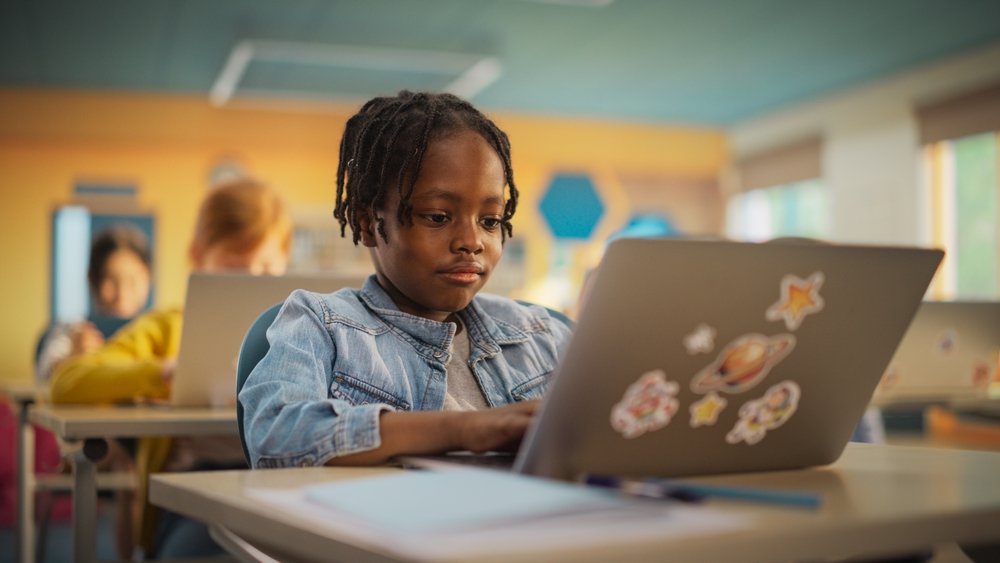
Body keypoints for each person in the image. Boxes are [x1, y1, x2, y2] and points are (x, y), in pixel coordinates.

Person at [240, 90, 573, 469]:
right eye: (437, 216)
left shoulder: (542, 334)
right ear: (368, 224)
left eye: (490, 221)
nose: (471, 242)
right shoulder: (320, 323)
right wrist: (462, 429)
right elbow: (274, 438)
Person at [49, 177, 293, 559]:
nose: (249, 282)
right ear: (198, 256)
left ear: (285, 264)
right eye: (234, 267)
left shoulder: (298, 330)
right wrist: (161, 371)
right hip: (194, 489)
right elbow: (67, 381)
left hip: (281, 485)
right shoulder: (166, 327)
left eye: (265, 269)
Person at [35, 224, 153, 383]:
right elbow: (43, 374)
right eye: (111, 280)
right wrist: (72, 360)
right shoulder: (72, 330)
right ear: (92, 279)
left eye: (132, 281)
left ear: (148, 280)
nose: (122, 294)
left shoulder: (156, 333)